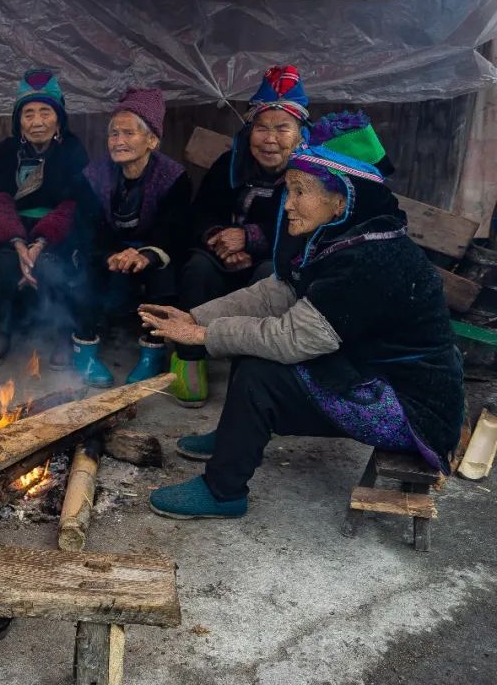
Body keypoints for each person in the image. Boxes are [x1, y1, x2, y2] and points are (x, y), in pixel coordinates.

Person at [139, 112, 462, 519]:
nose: (287, 203)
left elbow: (297, 338)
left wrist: (203, 336)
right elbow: (278, 292)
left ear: (342, 198)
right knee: (249, 340)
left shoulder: (373, 256)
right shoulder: (341, 236)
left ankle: (223, 493)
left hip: (407, 406)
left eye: (299, 191)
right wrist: (194, 317)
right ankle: (232, 438)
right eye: (289, 190)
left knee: (262, 375)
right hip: (366, 368)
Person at [172, 65, 310, 407]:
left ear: (299, 133)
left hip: (275, 261)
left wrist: (250, 240)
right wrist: (220, 239)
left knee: (272, 279)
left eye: (282, 128)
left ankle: (255, 376)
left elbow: (307, 229)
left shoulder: (311, 172)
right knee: (197, 269)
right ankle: (189, 360)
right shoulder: (230, 164)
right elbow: (201, 211)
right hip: (223, 259)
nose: (270, 138)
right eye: (261, 127)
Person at [73, 87, 193, 387]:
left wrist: (147, 255)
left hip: (152, 248)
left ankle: (151, 353)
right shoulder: (94, 175)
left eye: (128, 133)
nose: (119, 141)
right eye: (113, 134)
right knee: (86, 270)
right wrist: (109, 254)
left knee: (164, 274)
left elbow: (174, 226)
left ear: (152, 140)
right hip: (108, 249)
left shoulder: (174, 177)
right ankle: (84, 349)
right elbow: (87, 225)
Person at [0, 68, 89, 368]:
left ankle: (60, 333)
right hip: (11, 232)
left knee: (52, 267)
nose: (37, 121)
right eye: (28, 114)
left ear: (59, 118)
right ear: (19, 120)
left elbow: (72, 204)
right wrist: (17, 242)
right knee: (4, 265)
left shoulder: (73, 150)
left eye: (45, 112)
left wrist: (40, 242)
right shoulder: (6, 151)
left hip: (57, 234)